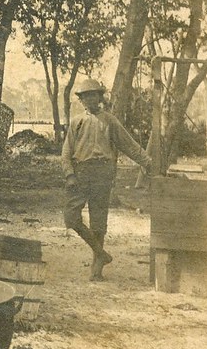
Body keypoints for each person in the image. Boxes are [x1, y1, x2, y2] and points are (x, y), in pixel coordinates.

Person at [61, 77, 151, 281]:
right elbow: (66, 153)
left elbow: (128, 145)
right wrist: (70, 174)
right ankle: (101, 253)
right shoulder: (76, 122)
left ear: (100, 98)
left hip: (103, 173)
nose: (90, 100)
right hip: (81, 173)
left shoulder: (110, 121)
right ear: (81, 100)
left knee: (98, 221)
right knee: (71, 217)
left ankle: (97, 269)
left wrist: (147, 162)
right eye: (85, 97)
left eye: (93, 95)